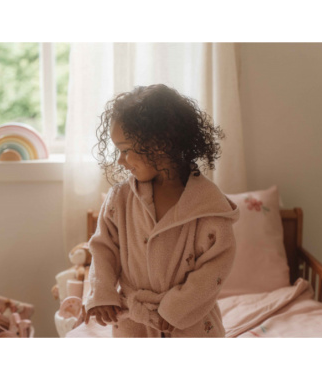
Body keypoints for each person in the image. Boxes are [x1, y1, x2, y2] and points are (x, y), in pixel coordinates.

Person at [84, 84, 239, 337]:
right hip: (134, 323)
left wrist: (176, 308)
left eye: (125, 150)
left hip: (190, 323)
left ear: (159, 145)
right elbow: (103, 248)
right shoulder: (120, 199)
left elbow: (215, 267)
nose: (120, 160)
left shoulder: (208, 206)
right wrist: (102, 293)